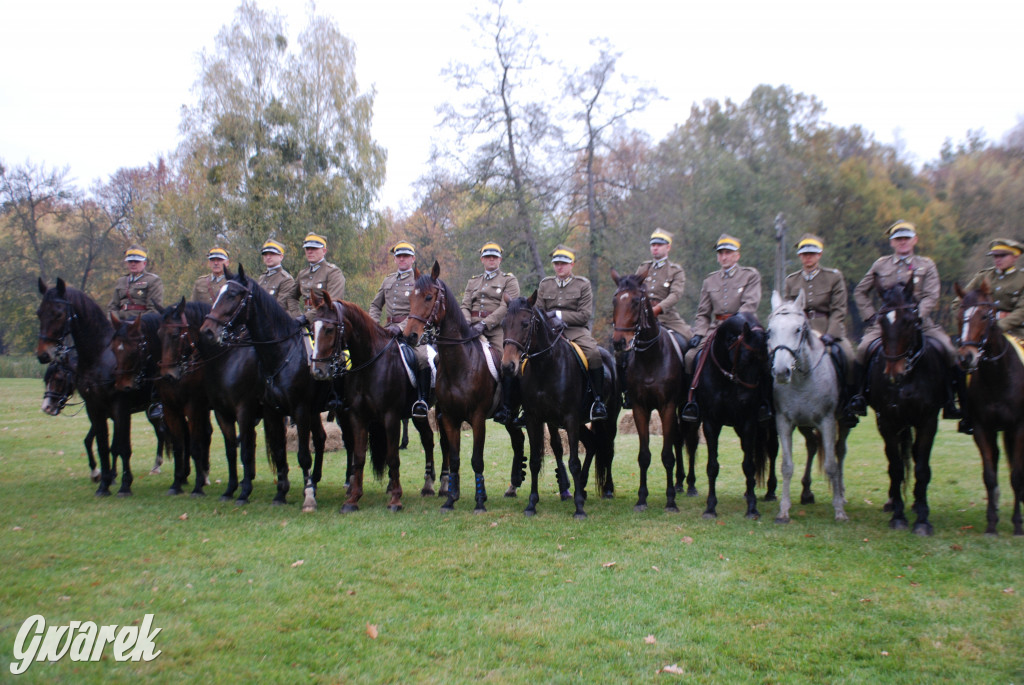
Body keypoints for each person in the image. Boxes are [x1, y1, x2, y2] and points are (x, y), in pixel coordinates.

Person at [847, 220, 963, 425]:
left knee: (948, 349)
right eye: (898, 239)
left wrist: (919, 315)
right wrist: (872, 317)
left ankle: (951, 401)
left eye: (906, 239)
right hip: (888, 324)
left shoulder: (926, 265)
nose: (902, 242)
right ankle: (858, 398)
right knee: (863, 349)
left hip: (919, 321)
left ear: (914, 240)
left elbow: (931, 295)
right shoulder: (880, 264)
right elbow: (860, 291)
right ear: (892, 243)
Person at [681, 233, 764, 423]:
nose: (724, 257)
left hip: (744, 329)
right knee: (690, 357)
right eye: (721, 253)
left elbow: (750, 306)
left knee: (763, 357)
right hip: (715, 330)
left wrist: (736, 328)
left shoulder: (750, 276)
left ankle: (764, 402)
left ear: (737, 255)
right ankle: (691, 401)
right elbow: (703, 313)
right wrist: (699, 333)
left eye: (728, 252)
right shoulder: (710, 281)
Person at [782, 233, 858, 425]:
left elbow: (839, 309)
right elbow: (788, 310)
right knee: (779, 357)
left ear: (819, 254)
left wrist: (831, 335)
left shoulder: (833, 277)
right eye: (804, 253)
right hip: (799, 332)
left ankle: (850, 402)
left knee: (847, 355)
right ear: (800, 256)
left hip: (826, 328)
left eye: (812, 253)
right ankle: (777, 402)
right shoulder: (792, 280)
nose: (808, 257)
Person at [621, 228, 694, 408]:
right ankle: (628, 392)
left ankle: (688, 395)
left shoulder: (675, 271)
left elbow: (676, 294)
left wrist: (658, 309)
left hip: (668, 318)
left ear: (668, 247)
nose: (655, 248)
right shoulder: (643, 268)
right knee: (622, 348)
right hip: (642, 320)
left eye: (659, 245)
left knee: (690, 345)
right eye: (653, 245)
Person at [535, 245, 607, 421]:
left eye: (563, 263)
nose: (559, 267)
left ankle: (598, 401)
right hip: (549, 332)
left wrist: (558, 314)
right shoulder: (545, 284)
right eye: (557, 263)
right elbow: (537, 311)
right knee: (527, 357)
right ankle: (526, 405)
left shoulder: (582, 284)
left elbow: (584, 315)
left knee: (594, 354)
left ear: (572, 264)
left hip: (575, 330)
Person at [369, 241, 434, 418]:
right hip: (386, 330)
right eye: (399, 256)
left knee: (421, 358)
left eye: (406, 256)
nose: (402, 259)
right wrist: (374, 325)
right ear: (395, 259)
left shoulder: (419, 280)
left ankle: (422, 400)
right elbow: (375, 305)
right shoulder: (388, 280)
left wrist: (401, 326)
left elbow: (421, 309)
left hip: (412, 332)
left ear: (413, 258)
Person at [460, 242, 521, 425]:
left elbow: (507, 307)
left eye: (494, 257)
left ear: (500, 259)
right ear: (482, 260)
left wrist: (485, 324)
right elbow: (465, 305)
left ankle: (508, 407)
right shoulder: (473, 281)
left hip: (497, 330)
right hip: (470, 328)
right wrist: (467, 323)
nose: (491, 259)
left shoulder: (509, 280)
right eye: (488, 257)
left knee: (506, 363)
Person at [962, 238, 1024, 342]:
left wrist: (997, 326)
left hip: (1016, 334)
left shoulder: (1022, 279)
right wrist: (972, 321)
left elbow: (1022, 311)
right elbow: (959, 302)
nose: (998, 259)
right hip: (980, 334)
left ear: (1015, 256)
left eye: (1003, 256)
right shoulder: (982, 277)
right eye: (995, 256)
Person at [294, 233, 345, 316]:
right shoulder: (302, 274)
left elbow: (332, 302)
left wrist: (306, 318)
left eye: (314, 248)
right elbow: (291, 297)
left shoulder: (333, 272)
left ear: (324, 251)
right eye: (307, 248)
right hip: (306, 320)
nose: (310, 251)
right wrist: (296, 315)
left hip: (326, 321)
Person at [108, 245, 164, 317]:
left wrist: (138, 323)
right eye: (130, 261)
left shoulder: (153, 280)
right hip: (120, 322)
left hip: (140, 323)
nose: (133, 264)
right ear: (127, 263)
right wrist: (114, 321)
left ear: (144, 263)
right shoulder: (121, 281)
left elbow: (153, 309)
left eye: (137, 261)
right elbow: (112, 307)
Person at [257, 239, 301, 317]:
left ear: (281, 256)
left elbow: (280, 307)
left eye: (272, 254)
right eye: (265, 254)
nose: (268, 257)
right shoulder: (262, 278)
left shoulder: (286, 279)